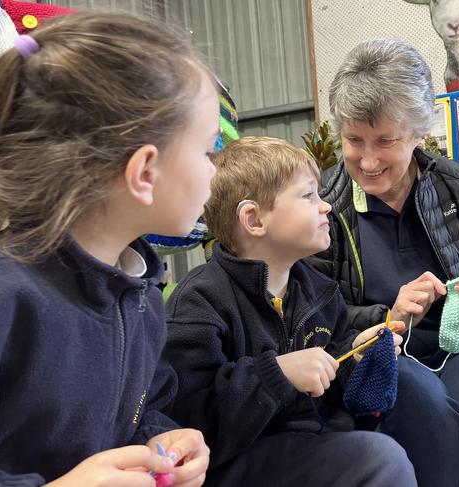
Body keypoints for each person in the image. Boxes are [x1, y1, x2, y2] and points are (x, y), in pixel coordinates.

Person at [310, 37, 459, 487]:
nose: (367, 159)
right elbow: (312, 319)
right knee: (422, 404)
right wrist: (389, 316)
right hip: (373, 355)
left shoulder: (455, 187)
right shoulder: (323, 204)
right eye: (353, 140)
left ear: (420, 131)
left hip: (456, 348)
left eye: (385, 140)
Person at [0, 12, 212, 485]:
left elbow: (146, 409)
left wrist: (168, 443)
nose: (215, 171)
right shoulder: (9, 297)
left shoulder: (143, 296)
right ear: (144, 172)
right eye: (207, 148)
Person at [164, 137, 418, 487]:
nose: (326, 206)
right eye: (308, 195)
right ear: (253, 220)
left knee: (415, 416)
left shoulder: (321, 291)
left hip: (310, 444)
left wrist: (354, 357)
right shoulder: (199, 301)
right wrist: (275, 376)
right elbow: (187, 417)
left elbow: (337, 385)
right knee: (379, 460)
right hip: (235, 462)